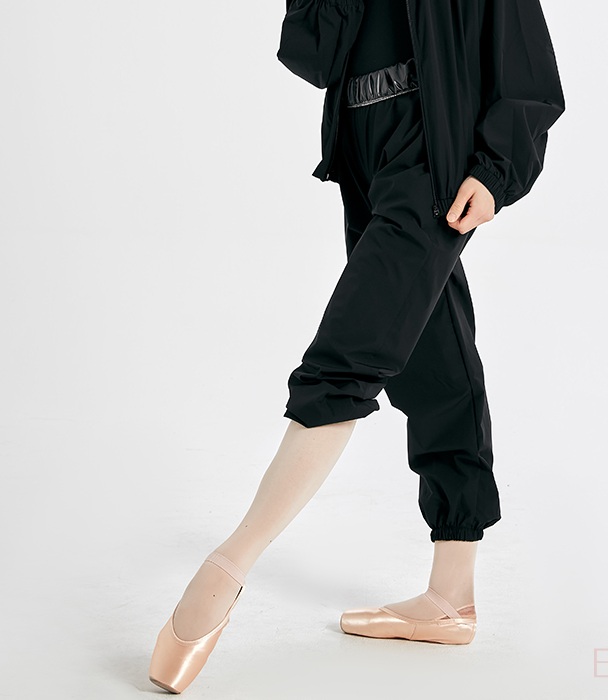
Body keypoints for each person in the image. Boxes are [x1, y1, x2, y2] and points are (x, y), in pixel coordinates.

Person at [149, 0, 565, 693]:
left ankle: (229, 564)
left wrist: (497, 169)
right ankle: (451, 597)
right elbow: (312, 54)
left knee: (346, 356)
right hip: (364, 158)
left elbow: (528, 64)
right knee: (437, 364)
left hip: (434, 153)